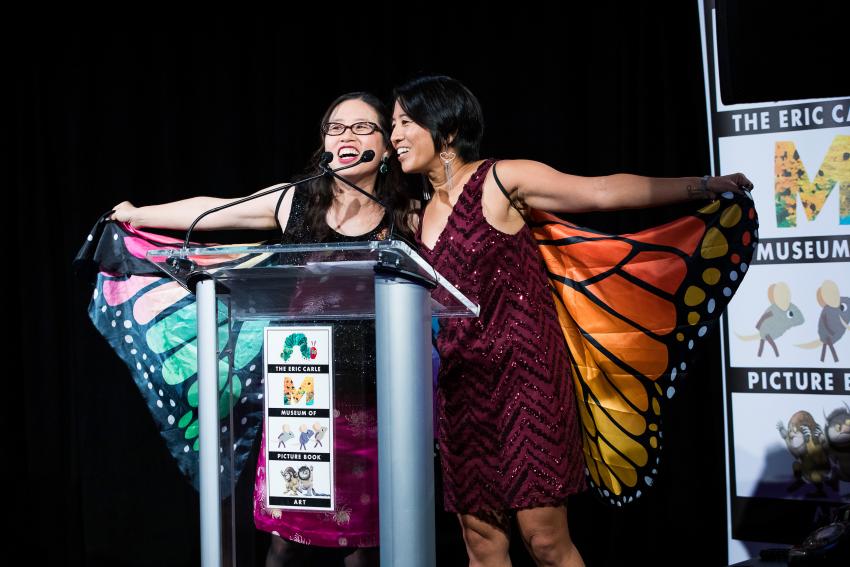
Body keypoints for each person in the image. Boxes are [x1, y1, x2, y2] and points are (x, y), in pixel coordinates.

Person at [389, 75, 753, 567]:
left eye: (406, 122)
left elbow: (601, 192)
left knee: (544, 541)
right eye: (392, 124)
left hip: (525, 380)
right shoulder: (412, 215)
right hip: (461, 389)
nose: (394, 136)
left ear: (446, 128)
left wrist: (703, 185)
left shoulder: (500, 179)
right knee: (481, 546)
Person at [112, 91, 416, 567]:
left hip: (377, 399)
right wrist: (139, 215)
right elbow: (218, 209)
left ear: (387, 145)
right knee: (284, 542)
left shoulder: (408, 213)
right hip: (302, 393)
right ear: (324, 143)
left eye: (363, 128)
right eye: (337, 128)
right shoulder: (297, 201)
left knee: (366, 546)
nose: (347, 136)